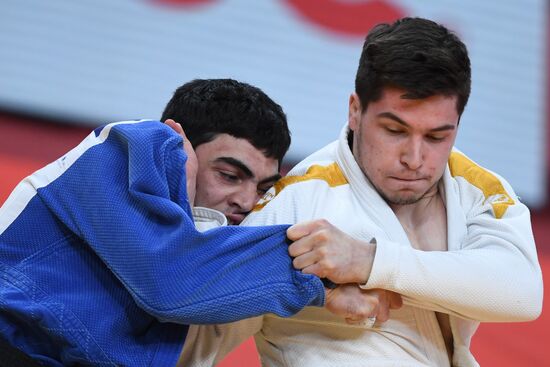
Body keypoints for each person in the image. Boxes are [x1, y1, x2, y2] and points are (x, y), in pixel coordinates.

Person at [181, 18, 543, 367]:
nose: (414, 159)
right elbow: (192, 347)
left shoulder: (473, 187)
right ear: (355, 111)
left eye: (437, 137)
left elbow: (522, 295)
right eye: (394, 130)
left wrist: (369, 262)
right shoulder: (297, 202)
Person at [0, 79, 378, 366]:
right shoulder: (137, 143)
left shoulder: (206, 267)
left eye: (262, 187)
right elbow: (170, 282)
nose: (247, 201)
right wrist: (322, 277)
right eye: (229, 174)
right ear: (179, 143)